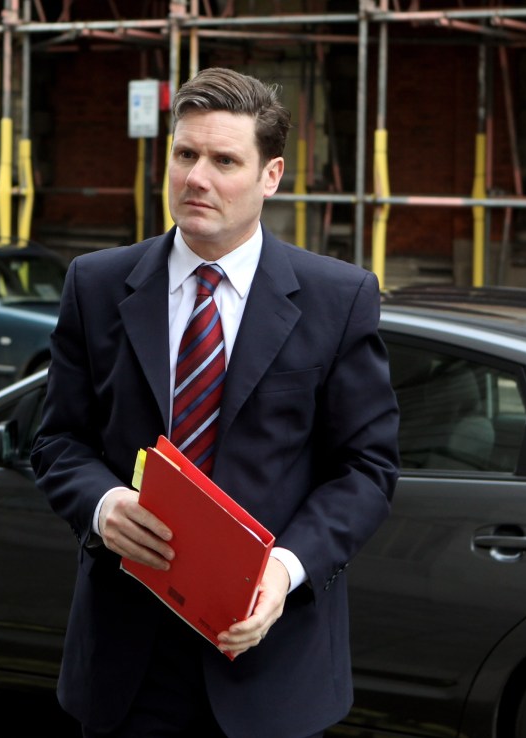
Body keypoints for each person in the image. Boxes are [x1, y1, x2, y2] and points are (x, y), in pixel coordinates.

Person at [31, 67, 399, 738]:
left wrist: (283, 573)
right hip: (126, 667)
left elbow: (365, 470)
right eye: (185, 154)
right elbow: (56, 440)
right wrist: (104, 504)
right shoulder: (96, 285)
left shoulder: (336, 298)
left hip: (268, 663)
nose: (196, 177)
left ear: (271, 176)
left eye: (223, 160)